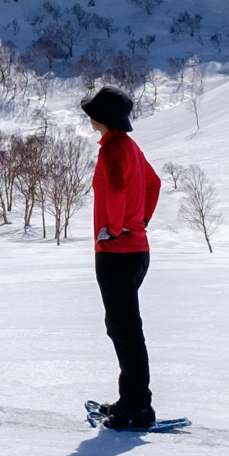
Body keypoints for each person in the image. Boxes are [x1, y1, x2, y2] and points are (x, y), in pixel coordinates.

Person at [82, 87, 161, 430]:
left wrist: (115, 228)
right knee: (122, 328)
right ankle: (131, 398)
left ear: (101, 118)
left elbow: (114, 190)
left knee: (125, 330)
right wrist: (140, 222)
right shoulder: (130, 146)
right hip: (138, 250)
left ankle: (136, 406)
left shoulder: (113, 149)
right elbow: (154, 183)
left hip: (116, 252)